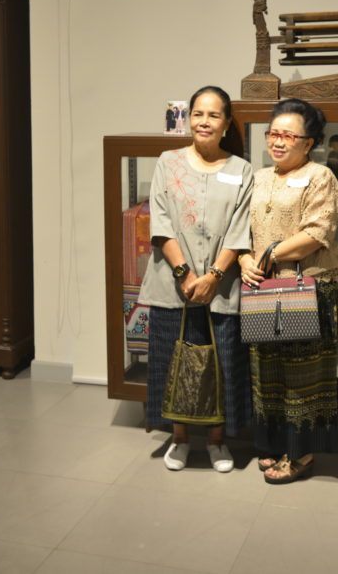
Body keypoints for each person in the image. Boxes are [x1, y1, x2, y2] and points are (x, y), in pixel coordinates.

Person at [139, 85, 253, 472]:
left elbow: (240, 229)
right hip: (173, 285)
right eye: (198, 114)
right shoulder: (168, 162)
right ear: (189, 119)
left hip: (222, 287)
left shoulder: (241, 170)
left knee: (221, 364)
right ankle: (180, 438)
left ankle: (217, 441)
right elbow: (160, 220)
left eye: (214, 115)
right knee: (174, 361)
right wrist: (185, 274)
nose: (204, 121)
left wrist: (214, 276)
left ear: (226, 123)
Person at [238, 98, 338, 484]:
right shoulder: (259, 176)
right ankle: (272, 443)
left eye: (288, 136)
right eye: (273, 134)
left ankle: (301, 452)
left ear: (309, 142)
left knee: (303, 374)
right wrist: (243, 260)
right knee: (266, 369)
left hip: (308, 286)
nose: (278, 142)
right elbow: (240, 229)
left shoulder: (321, 177)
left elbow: (316, 233)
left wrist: (268, 253)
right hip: (263, 286)